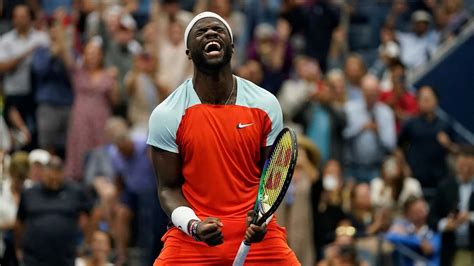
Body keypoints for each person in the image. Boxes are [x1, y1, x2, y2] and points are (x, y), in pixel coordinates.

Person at [147, 12, 299, 265]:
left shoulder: (265, 104)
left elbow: (272, 180)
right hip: (192, 236)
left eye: (218, 30)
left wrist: (261, 220)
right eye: (200, 31)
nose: (210, 33)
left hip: (256, 231)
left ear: (232, 47)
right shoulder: (167, 114)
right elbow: (168, 188)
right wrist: (194, 226)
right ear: (188, 52)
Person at [15, 156, 92, 266]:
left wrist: (86, 242)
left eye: (57, 178)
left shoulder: (75, 191)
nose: (54, 182)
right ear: (44, 174)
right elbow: (19, 223)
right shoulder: (29, 193)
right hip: (33, 257)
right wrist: (18, 247)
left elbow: (94, 213)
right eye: (51, 179)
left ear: (62, 174)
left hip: (65, 257)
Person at [63, 37, 119, 181]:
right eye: (89, 53)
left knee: (101, 149)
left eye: (95, 53)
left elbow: (115, 101)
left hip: (101, 117)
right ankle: (78, 180)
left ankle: (100, 180)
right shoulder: (77, 72)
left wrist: (114, 82)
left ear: (101, 56)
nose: (92, 56)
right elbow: (63, 52)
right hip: (81, 117)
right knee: (79, 148)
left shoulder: (108, 74)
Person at [0, 5, 50, 150]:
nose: (20, 20)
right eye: (17, 17)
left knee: (35, 137)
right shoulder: (5, 41)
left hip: (37, 96)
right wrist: (27, 53)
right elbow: (2, 67)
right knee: (16, 138)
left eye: (24, 16)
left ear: (30, 18)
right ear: (13, 19)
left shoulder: (41, 38)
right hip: (14, 94)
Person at [398, 86, 458, 190]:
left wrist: (448, 144)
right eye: (421, 99)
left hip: (440, 178)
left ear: (436, 101)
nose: (425, 102)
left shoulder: (445, 124)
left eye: (428, 99)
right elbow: (398, 148)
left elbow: (457, 151)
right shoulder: (411, 123)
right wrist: (404, 167)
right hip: (415, 177)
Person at [343, 74, 396, 182]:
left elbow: (391, 145)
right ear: (361, 91)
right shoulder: (349, 109)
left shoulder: (386, 113)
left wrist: (378, 133)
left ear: (378, 92)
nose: (370, 96)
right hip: (352, 167)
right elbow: (342, 135)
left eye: (373, 93)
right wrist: (360, 129)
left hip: (377, 167)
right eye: (367, 92)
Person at [277, 135, 320, 265]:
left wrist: (304, 162)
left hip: (303, 226)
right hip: (282, 221)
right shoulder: (281, 171)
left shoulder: (309, 175)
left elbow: (317, 183)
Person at [428, 145, 474, 266]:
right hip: (451, 251)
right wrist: (445, 224)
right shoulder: (444, 187)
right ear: (457, 164)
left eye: (470, 167)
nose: (466, 170)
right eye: (463, 166)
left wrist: (470, 217)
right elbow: (431, 218)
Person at [386, 196, 441, 266]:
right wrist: (419, 242)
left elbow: (430, 248)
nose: (422, 214)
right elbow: (390, 237)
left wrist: (409, 239)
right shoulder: (402, 226)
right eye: (417, 211)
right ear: (408, 213)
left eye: (423, 209)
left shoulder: (433, 230)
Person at [0, 151, 29, 266]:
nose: (20, 182)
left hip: (26, 246)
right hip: (3, 246)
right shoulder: (1, 190)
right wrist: (13, 224)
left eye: (23, 178)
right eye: (18, 177)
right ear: (11, 173)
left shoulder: (32, 191)